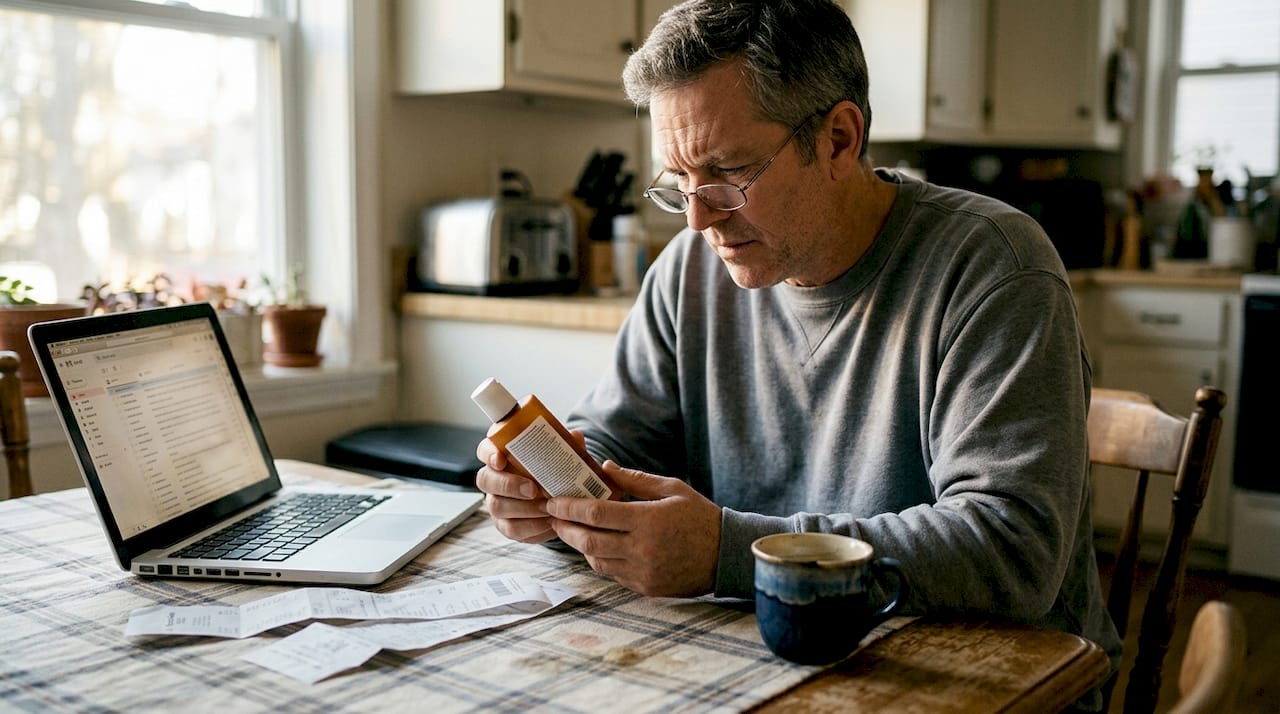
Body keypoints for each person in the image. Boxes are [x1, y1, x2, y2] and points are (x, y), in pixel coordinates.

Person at [476, 0, 1119, 707]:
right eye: (678, 183)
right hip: (769, 661)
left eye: (727, 171)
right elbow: (619, 443)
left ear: (840, 139)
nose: (698, 219)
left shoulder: (994, 266)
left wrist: (726, 551)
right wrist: (556, 491)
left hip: (992, 684)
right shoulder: (689, 272)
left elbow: (1012, 548)